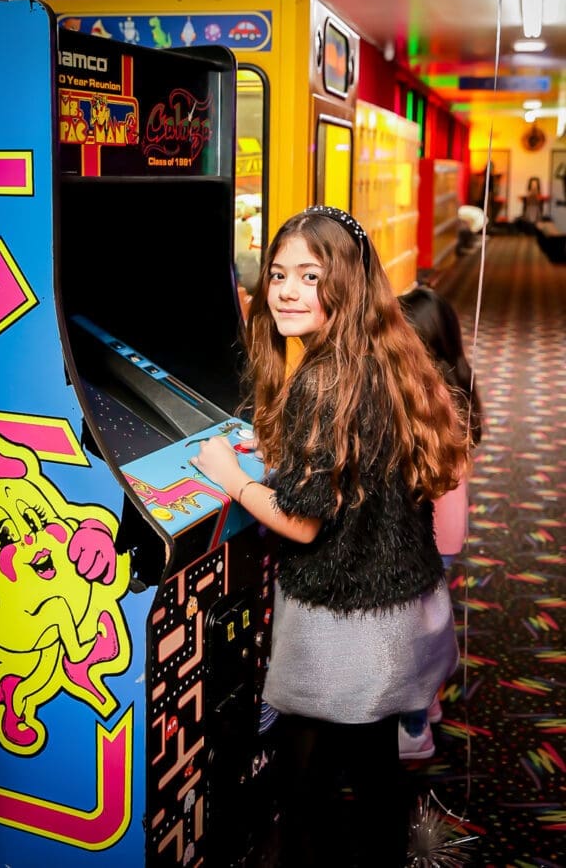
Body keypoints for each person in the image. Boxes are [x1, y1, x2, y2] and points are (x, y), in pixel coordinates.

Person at [190, 206, 470, 867]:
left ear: (344, 283)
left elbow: (304, 520)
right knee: (373, 767)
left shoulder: (323, 379)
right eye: (277, 274)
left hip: (342, 622)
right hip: (397, 608)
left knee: (304, 781)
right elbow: (357, 472)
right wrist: (285, 456)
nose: (286, 291)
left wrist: (231, 477)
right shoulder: (381, 356)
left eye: (309, 277)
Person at [397, 284, 483, 759]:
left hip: (426, 534)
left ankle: (414, 732)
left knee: (409, 633)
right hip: (447, 532)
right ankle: (427, 704)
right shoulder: (457, 387)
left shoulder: (426, 401)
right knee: (424, 621)